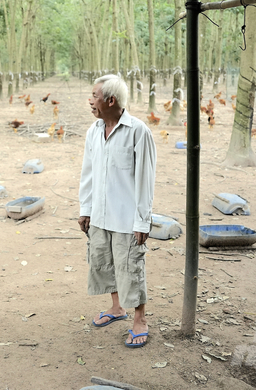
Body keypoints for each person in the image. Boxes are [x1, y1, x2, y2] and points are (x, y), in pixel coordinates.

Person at [78, 74, 156, 348]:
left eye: (94, 96)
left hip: (126, 219)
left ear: (111, 100)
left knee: (130, 268)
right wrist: (85, 208)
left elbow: (146, 179)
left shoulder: (138, 131)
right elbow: (88, 173)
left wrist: (142, 221)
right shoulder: (93, 131)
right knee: (104, 262)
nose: (90, 101)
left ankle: (139, 320)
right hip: (99, 215)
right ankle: (116, 308)